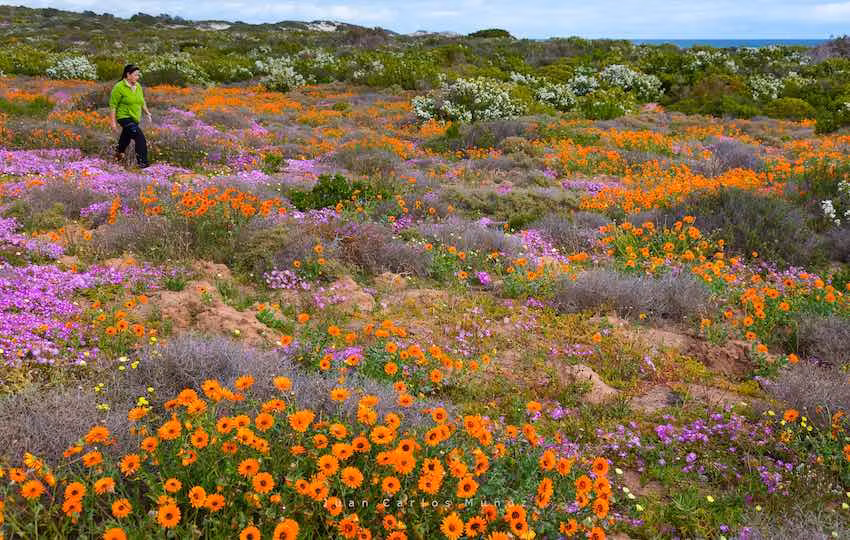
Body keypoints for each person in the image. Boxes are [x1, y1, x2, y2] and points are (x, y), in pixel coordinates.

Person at [109, 64, 152, 168]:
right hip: (124, 117)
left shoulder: (138, 86)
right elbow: (113, 105)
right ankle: (143, 165)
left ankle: (118, 156)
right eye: (136, 75)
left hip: (134, 118)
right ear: (128, 75)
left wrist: (147, 113)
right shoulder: (119, 87)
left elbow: (142, 101)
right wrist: (113, 122)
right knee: (139, 137)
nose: (138, 77)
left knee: (125, 140)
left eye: (138, 75)